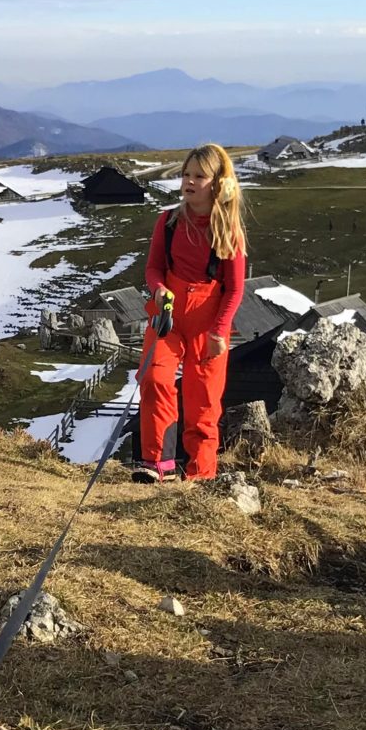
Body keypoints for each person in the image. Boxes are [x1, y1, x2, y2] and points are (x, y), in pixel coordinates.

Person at [135, 143, 248, 482]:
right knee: (154, 379)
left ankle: (200, 476)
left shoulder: (228, 231)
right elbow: (153, 268)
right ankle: (157, 465)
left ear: (218, 184)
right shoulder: (168, 222)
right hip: (167, 315)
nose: (189, 182)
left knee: (203, 403)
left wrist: (220, 330)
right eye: (186, 174)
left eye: (199, 175)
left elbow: (235, 288)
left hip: (208, 324)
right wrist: (159, 290)